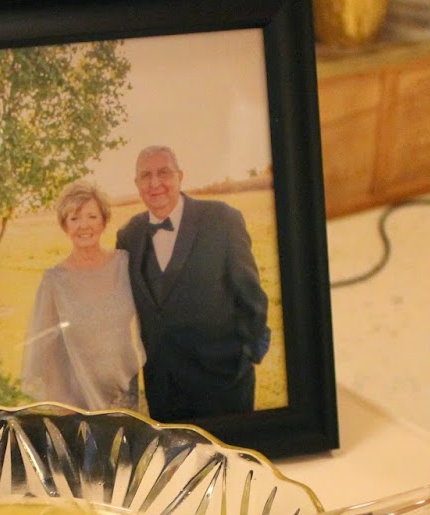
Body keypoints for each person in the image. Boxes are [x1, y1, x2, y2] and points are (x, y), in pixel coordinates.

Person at [115, 145, 270, 422]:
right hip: (163, 390)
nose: (155, 183)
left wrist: (248, 355)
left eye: (164, 173)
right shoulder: (129, 235)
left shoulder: (222, 219)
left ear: (180, 176)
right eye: (146, 176)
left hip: (224, 384)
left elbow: (251, 295)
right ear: (137, 184)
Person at [18, 180, 145, 411]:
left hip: (125, 392)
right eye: (74, 218)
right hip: (77, 399)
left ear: (104, 221)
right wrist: (65, 407)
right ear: (65, 225)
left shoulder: (123, 264)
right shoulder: (54, 281)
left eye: (91, 216)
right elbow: (46, 350)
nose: (83, 225)